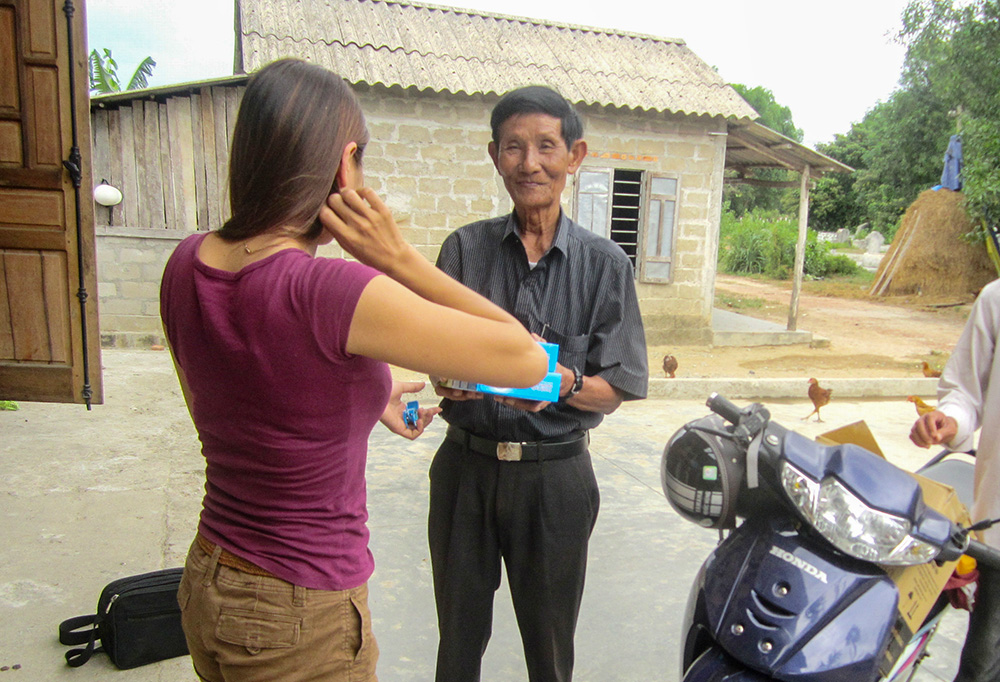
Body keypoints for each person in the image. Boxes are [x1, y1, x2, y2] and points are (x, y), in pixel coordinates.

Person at [160, 58, 549, 682]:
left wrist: (368, 393)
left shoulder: (186, 261)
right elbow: (526, 356)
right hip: (298, 606)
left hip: (210, 576)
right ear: (344, 166)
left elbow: (249, 394)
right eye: (361, 163)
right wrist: (397, 257)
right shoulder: (331, 288)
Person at [428, 85, 649, 682]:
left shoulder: (606, 265)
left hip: (555, 479)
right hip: (464, 471)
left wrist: (554, 380)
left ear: (574, 156)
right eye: (514, 147)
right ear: (494, 155)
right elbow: (436, 360)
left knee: (550, 652)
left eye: (546, 146)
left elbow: (618, 387)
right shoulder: (464, 251)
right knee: (457, 644)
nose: (531, 163)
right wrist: (449, 378)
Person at [910, 278, 1000, 682]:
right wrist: (949, 422)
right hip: (999, 534)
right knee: (983, 667)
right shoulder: (996, 299)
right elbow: (966, 393)